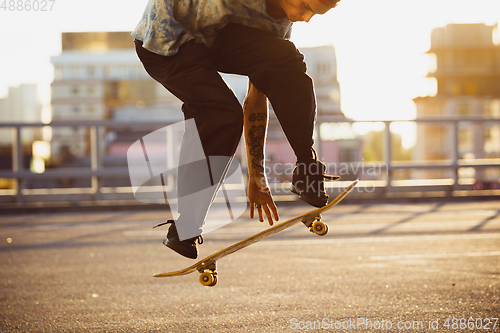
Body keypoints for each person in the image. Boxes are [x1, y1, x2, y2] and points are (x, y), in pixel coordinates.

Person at [133, 0, 341, 259]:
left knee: (286, 57)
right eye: (307, 7)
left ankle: (306, 168)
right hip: (166, 37)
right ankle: (185, 225)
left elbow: (255, 102)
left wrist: (257, 176)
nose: (306, 18)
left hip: (213, 39)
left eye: (315, 14)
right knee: (220, 113)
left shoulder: (277, 25)